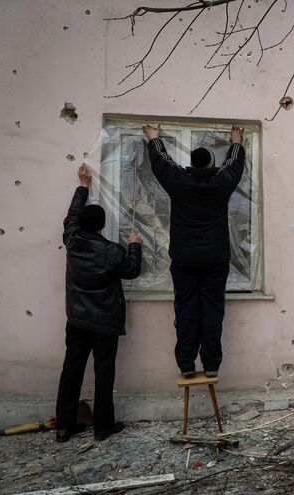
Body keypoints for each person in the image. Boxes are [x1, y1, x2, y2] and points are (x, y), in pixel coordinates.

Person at [142, 123, 245, 379]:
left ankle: (186, 365)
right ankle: (211, 365)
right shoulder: (221, 184)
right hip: (214, 260)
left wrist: (154, 138)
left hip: (185, 259)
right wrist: (236, 142)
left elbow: (161, 163)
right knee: (212, 311)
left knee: (185, 310)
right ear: (211, 166)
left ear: (193, 165)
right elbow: (235, 165)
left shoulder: (179, 182)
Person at [56, 164, 143, 442]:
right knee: (104, 373)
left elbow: (71, 216)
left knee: (72, 370)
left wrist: (83, 185)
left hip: (77, 319)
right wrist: (134, 245)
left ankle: (64, 427)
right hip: (104, 321)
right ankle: (103, 427)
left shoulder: (72, 238)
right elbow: (131, 271)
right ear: (103, 225)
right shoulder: (111, 252)